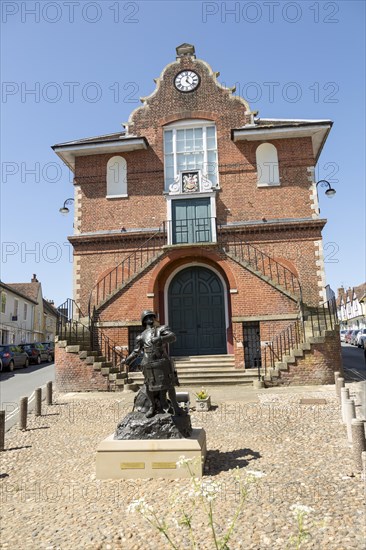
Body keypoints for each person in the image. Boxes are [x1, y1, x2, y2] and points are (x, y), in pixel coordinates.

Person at [123, 310, 183, 418]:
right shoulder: (140, 336)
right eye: (147, 317)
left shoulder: (161, 329)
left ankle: (175, 407)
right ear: (144, 321)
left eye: (151, 317)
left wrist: (160, 338)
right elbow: (136, 351)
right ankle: (152, 407)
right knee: (148, 386)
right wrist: (127, 360)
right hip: (148, 363)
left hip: (161, 361)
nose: (150, 319)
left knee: (169, 385)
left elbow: (173, 337)